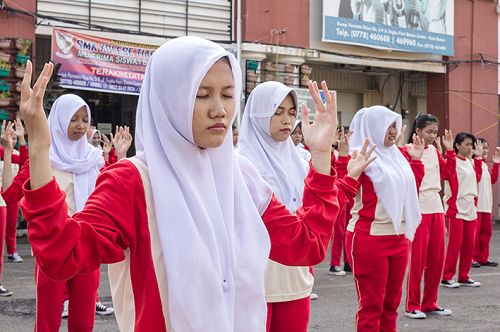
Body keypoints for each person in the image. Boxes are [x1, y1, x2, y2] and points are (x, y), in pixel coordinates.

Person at [19, 36, 345, 331]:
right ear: (168, 100)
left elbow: (307, 244)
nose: (220, 110)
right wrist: (38, 148)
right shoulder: (133, 181)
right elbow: (63, 254)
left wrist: (320, 155)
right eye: (202, 95)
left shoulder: (240, 176)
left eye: (228, 94)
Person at [238, 81, 372, 332]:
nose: (286, 120)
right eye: (277, 112)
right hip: (254, 281)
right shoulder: (241, 165)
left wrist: (349, 180)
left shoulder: (301, 159)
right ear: (257, 114)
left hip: (297, 277)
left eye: (291, 112)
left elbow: (320, 212)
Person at [344, 105, 424, 332]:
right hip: (370, 238)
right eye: (387, 126)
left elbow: (409, 194)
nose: (392, 131)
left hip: (399, 238)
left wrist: (416, 162)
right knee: (372, 306)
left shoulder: (397, 156)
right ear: (374, 126)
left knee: (391, 305)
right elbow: (343, 192)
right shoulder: (360, 155)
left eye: (394, 126)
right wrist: (346, 166)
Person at [401, 113, 455, 319]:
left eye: (435, 132)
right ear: (417, 131)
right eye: (429, 131)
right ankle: (412, 304)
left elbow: (448, 174)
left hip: (436, 207)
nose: (433, 136)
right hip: (419, 208)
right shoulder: (407, 151)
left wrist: (449, 151)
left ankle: (430, 302)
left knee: (437, 258)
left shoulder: (434, 150)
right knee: (417, 260)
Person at [442, 133, 482, 288]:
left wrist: (478, 159)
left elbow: (477, 178)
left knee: (469, 245)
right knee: (454, 245)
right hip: (456, 208)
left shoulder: (470, 162)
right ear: (458, 146)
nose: (470, 147)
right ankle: (447, 276)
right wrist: (449, 151)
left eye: (471, 144)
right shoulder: (452, 162)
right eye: (467, 144)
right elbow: (447, 174)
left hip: (470, 207)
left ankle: (464, 276)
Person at [472, 138, 500, 267]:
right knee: (475, 235)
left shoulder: (484, 165)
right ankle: (473, 258)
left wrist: (496, 164)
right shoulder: (472, 163)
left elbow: (492, 180)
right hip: (476, 206)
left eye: (486, 148)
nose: (485, 150)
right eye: (482, 147)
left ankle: (483, 258)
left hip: (486, 206)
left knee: (485, 234)